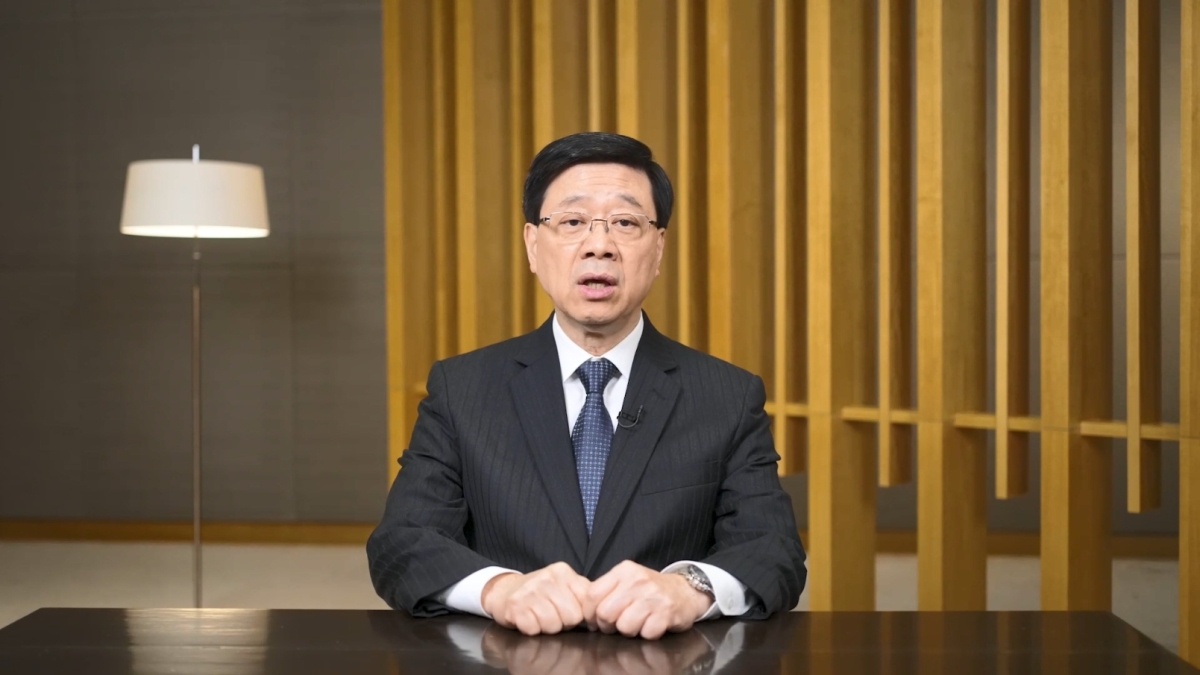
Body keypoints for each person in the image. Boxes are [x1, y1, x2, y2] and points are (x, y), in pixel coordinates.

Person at [367, 131, 806, 640]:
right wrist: (500, 590)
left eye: (626, 223)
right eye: (572, 222)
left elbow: (774, 551)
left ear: (658, 248)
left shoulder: (727, 395)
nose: (599, 246)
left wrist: (689, 589)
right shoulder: (461, 388)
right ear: (533, 245)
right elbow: (402, 542)